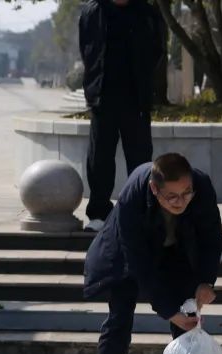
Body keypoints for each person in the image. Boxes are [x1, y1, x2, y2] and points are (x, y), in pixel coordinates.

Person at [82, 153, 222, 354]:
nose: (181, 201)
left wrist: (207, 281)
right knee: (119, 321)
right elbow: (137, 262)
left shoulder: (201, 185)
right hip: (126, 257)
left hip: (176, 252)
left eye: (186, 193)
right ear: (154, 189)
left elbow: (211, 235)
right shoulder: (133, 195)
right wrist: (167, 310)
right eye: (172, 197)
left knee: (187, 321)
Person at [79, 0, 165, 232]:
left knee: (140, 159)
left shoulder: (147, 13)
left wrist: (143, 77)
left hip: (136, 98)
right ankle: (98, 213)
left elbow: (157, 50)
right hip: (103, 97)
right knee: (99, 158)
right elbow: (87, 49)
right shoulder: (92, 12)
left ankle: (140, 212)